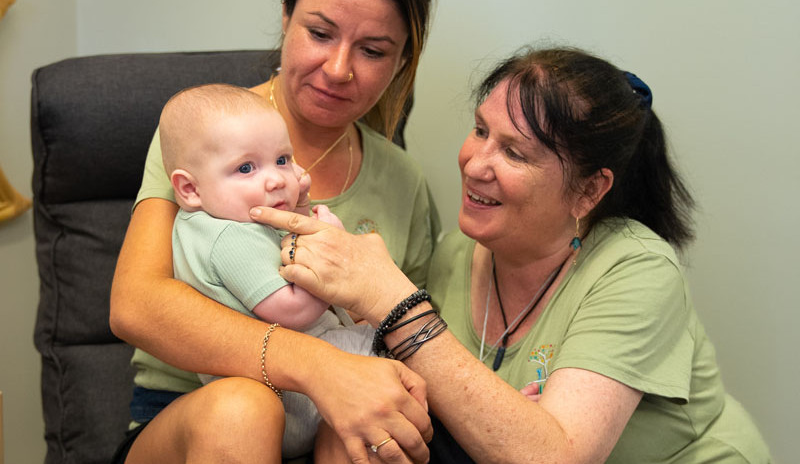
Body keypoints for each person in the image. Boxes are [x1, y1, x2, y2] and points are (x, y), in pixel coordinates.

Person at [255, 46, 772, 463]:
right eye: (480, 131)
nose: (475, 164)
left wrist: (394, 298)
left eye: (514, 152)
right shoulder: (460, 251)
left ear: (589, 192)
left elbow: (554, 457)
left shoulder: (637, 268)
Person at [109, 0, 438, 462]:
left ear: (403, 59)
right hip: (194, 417)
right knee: (244, 407)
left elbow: (409, 336)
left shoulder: (404, 181)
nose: (338, 69)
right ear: (287, 9)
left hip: (331, 418)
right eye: (320, 32)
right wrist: (318, 367)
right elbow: (135, 306)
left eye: (374, 50)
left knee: (372, 432)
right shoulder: (205, 138)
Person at [159, 83, 377, 459]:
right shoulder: (229, 236)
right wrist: (334, 258)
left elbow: (282, 256)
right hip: (289, 398)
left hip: (281, 392)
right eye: (246, 167)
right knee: (394, 345)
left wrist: (303, 209)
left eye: (282, 160)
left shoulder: (212, 221)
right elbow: (292, 310)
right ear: (190, 188)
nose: (276, 179)